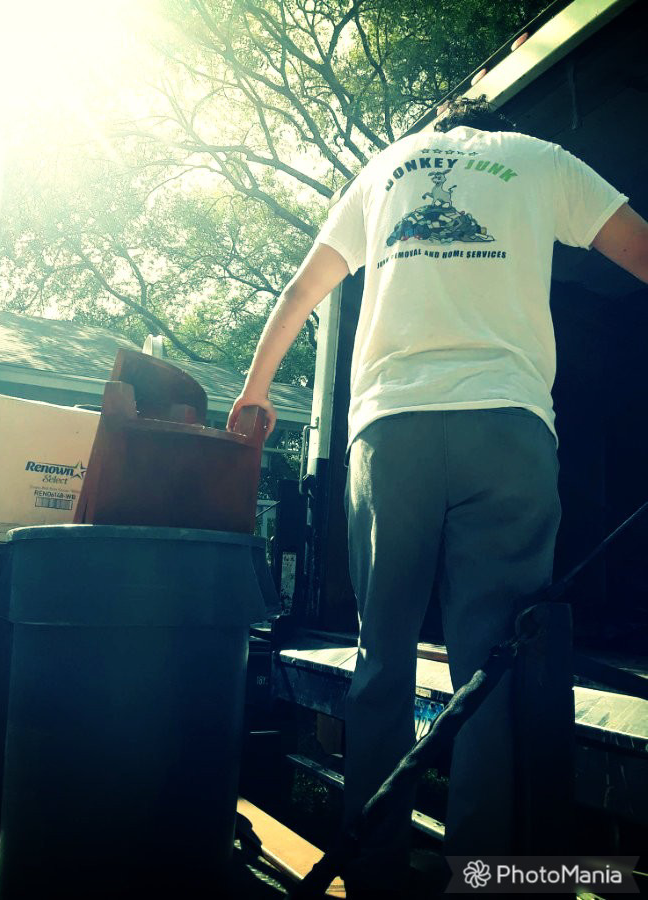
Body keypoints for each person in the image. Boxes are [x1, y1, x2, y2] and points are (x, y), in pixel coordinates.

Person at [228, 96, 648, 895]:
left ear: (439, 126)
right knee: (489, 665)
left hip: (393, 431)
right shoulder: (540, 159)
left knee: (381, 658)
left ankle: (374, 872)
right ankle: (483, 876)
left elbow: (301, 287)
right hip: (508, 429)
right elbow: (641, 250)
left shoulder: (381, 170)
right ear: (492, 124)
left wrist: (255, 388)